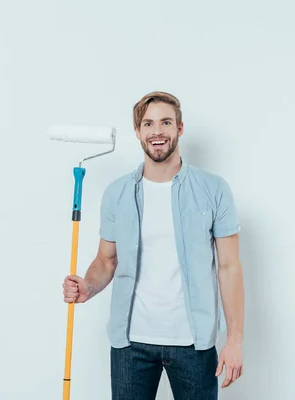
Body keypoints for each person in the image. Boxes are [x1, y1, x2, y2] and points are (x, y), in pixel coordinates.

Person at [62, 91, 244, 399]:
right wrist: (87, 287)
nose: (157, 131)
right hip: (130, 346)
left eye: (165, 122)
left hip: (194, 345)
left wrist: (235, 340)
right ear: (138, 132)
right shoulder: (117, 194)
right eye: (148, 124)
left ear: (179, 129)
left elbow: (229, 268)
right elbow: (106, 261)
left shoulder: (213, 190)